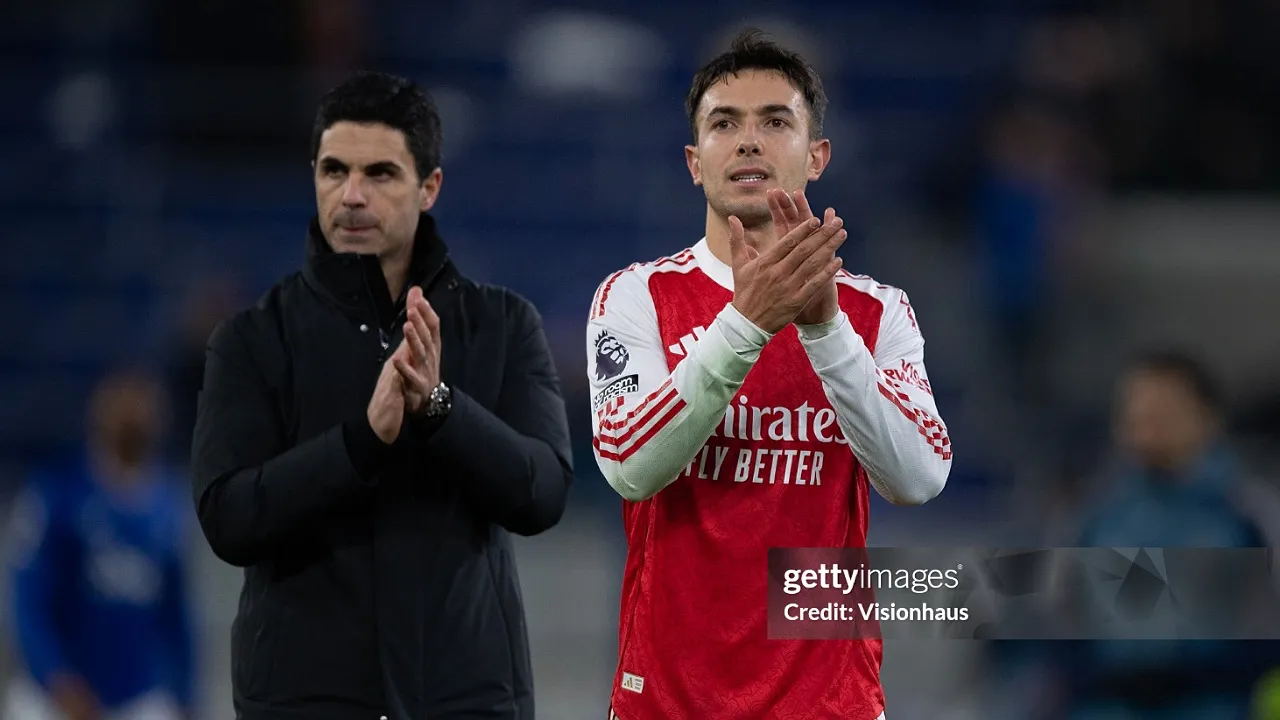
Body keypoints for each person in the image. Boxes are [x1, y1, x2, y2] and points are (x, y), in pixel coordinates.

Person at [586, 30, 951, 720]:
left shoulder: (877, 314)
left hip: (830, 703)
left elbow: (919, 478)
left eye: (775, 122)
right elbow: (630, 465)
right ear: (695, 163)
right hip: (666, 702)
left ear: (817, 157)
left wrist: (824, 330)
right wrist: (748, 323)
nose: (749, 141)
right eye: (725, 124)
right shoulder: (635, 297)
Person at [191, 71, 573, 720]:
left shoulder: (504, 324)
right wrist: (360, 444)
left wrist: (441, 409)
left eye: (381, 174)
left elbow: (541, 493)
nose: (352, 196)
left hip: (466, 702)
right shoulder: (252, 338)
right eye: (334, 170)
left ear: (430, 188)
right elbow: (228, 517)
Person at [6, 370, 194, 720]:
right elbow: (27, 601)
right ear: (99, 413)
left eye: (143, 406)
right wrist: (56, 677)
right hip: (53, 696)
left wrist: (186, 694)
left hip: (134, 695)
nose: (134, 416)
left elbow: (176, 616)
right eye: (123, 404)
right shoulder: (55, 495)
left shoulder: (168, 507)